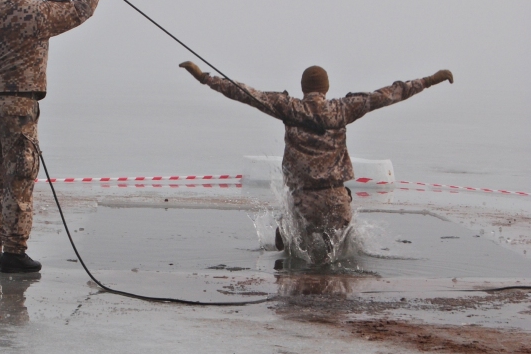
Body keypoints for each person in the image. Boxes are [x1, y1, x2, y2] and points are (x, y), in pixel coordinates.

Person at [179, 61, 454, 261]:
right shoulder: (343, 109)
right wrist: (430, 80)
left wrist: (204, 77)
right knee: (340, 254)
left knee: (288, 244)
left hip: (303, 204)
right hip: (337, 201)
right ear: (327, 87)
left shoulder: (288, 107)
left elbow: (242, 92)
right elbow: (388, 95)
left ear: (302, 87)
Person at [0, 0, 110, 273]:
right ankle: (14, 252)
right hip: (18, 107)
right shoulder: (36, 12)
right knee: (18, 179)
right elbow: (78, 10)